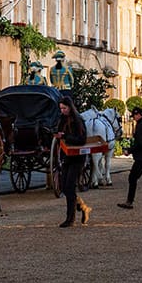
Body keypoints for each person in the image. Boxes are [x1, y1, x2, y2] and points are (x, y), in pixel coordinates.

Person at [54, 96, 91, 228]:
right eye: (61, 108)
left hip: (77, 157)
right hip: (66, 156)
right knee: (65, 187)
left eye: (64, 108)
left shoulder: (78, 120)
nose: (62, 111)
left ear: (70, 107)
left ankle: (70, 218)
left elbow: (81, 139)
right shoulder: (62, 119)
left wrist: (65, 136)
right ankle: (82, 206)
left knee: (70, 186)